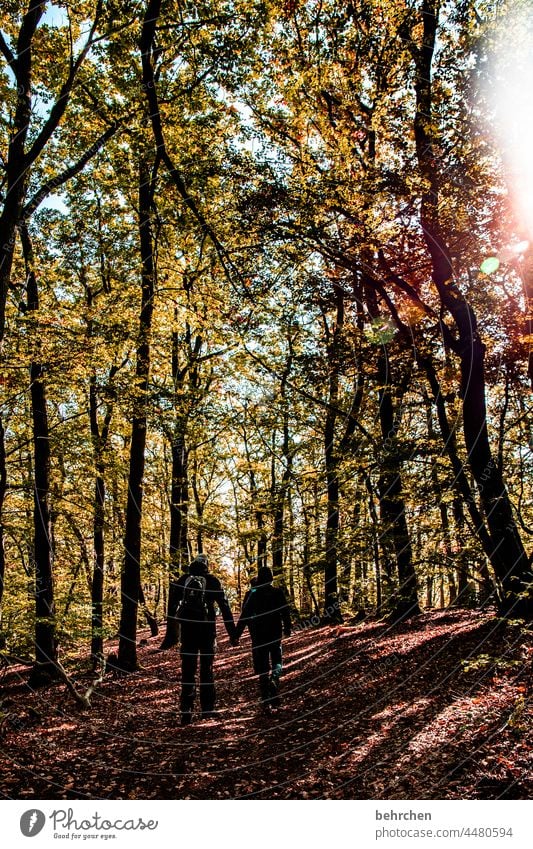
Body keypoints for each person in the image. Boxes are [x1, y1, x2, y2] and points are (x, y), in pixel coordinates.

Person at [174, 553, 235, 725]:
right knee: (206, 669)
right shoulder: (212, 581)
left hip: (187, 631)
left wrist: (175, 628)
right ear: (207, 565)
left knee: (188, 670)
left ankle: (186, 709)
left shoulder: (183, 579)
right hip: (207, 632)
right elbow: (224, 606)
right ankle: (207, 709)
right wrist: (232, 633)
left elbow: (172, 604)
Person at [233, 566, 291, 711]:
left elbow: (245, 615)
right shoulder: (278, 593)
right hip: (274, 634)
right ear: (271, 578)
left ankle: (266, 701)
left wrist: (236, 635)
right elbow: (285, 612)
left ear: (259, 579)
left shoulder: (254, 594)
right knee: (277, 661)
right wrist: (287, 628)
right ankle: (275, 681)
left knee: (263, 666)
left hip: (259, 635)